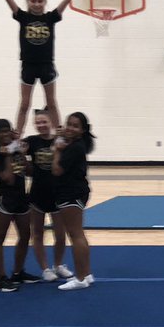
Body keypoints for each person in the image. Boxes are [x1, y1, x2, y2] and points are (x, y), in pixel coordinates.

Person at [0, 0, 84, 135]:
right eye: (33, 1)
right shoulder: (22, 17)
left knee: (52, 102)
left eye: (40, 1)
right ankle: (18, 135)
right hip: (28, 65)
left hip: (46, 65)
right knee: (24, 104)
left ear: (45, 2)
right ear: (28, 2)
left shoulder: (51, 18)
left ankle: (59, 135)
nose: (37, 4)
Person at [24, 107, 73, 282]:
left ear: (51, 122)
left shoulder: (59, 140)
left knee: (60, 233)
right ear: (34, 125)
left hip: (57, 193)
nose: (41, 125)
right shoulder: (31, 141)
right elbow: (16, 149)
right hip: (37, 193)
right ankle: (45, 268)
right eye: (38, 122)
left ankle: (58, 264)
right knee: (37, 233)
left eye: (44, 121)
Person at [0, 118, 36, 292]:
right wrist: (8, 154)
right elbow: (8, 178)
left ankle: (18, 272)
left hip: (21, 198)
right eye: (1, 131)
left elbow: (30, 171)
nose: (5, 134)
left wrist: (20, 152)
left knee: (25, 235)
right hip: (4, 199)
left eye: (7, 130)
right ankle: (0, 279)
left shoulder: (15, 149)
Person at [51, 111, 96, 290]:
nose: (70, 128)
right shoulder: (77, 145)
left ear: (82, 130)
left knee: (75, 235)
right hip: (76, 192)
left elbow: (57, 170)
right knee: (79, 234)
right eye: (68, 124)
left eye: (75, 126)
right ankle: (86, 273)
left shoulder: (75, 147)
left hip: (71, 193)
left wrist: (56, 151)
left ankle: (80, 277)